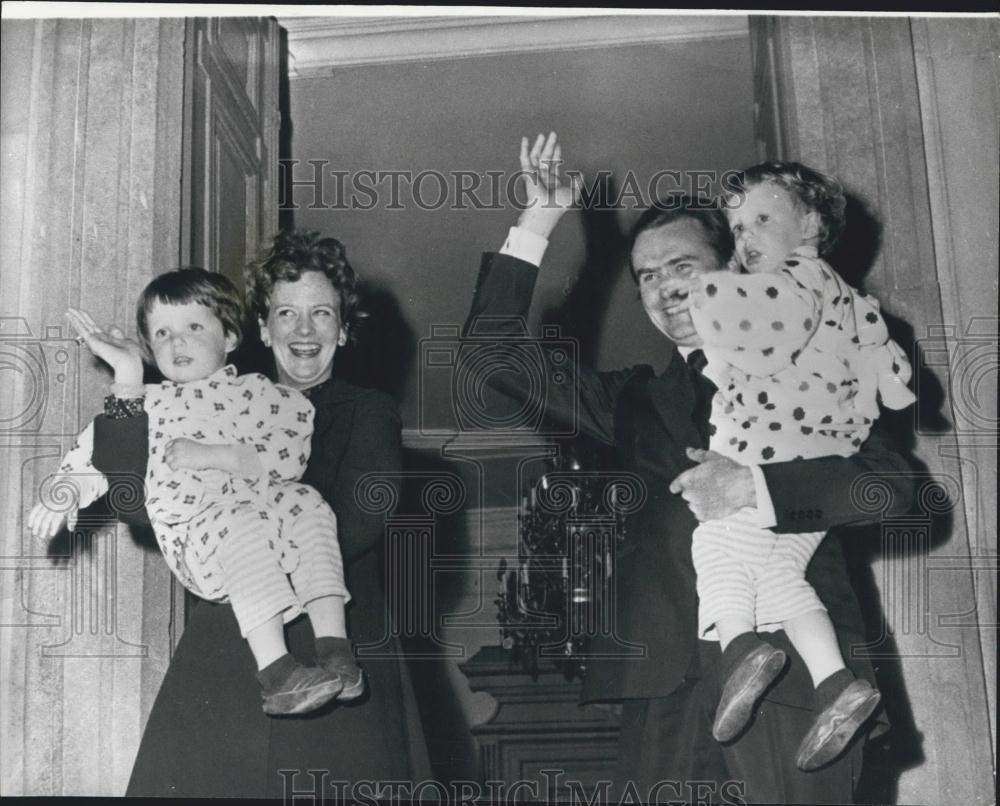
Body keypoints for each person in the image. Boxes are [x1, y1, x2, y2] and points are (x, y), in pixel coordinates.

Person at [464, 133, 914, 804]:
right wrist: (540, 218)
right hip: (664, 696)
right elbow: (490, 357)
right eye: (646, 275)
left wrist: (753, 488)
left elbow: (891, 488)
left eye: (681, 264)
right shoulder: (631, 400)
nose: (664, 285)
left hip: (799, 682)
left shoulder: (816, 366)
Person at [78, 231, 430, 797]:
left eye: (322, 313)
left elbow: (365, 516)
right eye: (286, 314)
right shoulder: (210, 400)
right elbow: (132, 503)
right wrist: (127, 384)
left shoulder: (367, 411)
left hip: (338, 654)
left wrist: (239, 503)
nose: (304, 330)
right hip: (229, 657)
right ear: (262, 329)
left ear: (343, 329)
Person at [30, 268, 360, 717]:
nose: (176, 342)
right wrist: (63, 490)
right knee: (239, 521)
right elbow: (96, 458)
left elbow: (287, 459)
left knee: (308, 502)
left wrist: (211, 455)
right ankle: (277, 671)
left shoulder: (263, 395)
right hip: (200, 539)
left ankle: (334, 646)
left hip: (271, 520)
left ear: (228, 337)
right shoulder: (147, 403)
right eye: (162, 333)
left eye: (193, 327)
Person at [676, 162, 916, 770]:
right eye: (736, 227)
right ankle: (836, 683)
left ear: (810, 223)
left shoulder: (794, 279)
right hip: (814, 463)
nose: (745, 237)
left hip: (775, 448)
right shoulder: (850, 298)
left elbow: (754, 331)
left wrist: (714, 289)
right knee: (783, 581)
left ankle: (739, 650)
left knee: (714, 544)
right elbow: (883, 362)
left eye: (761, 218)